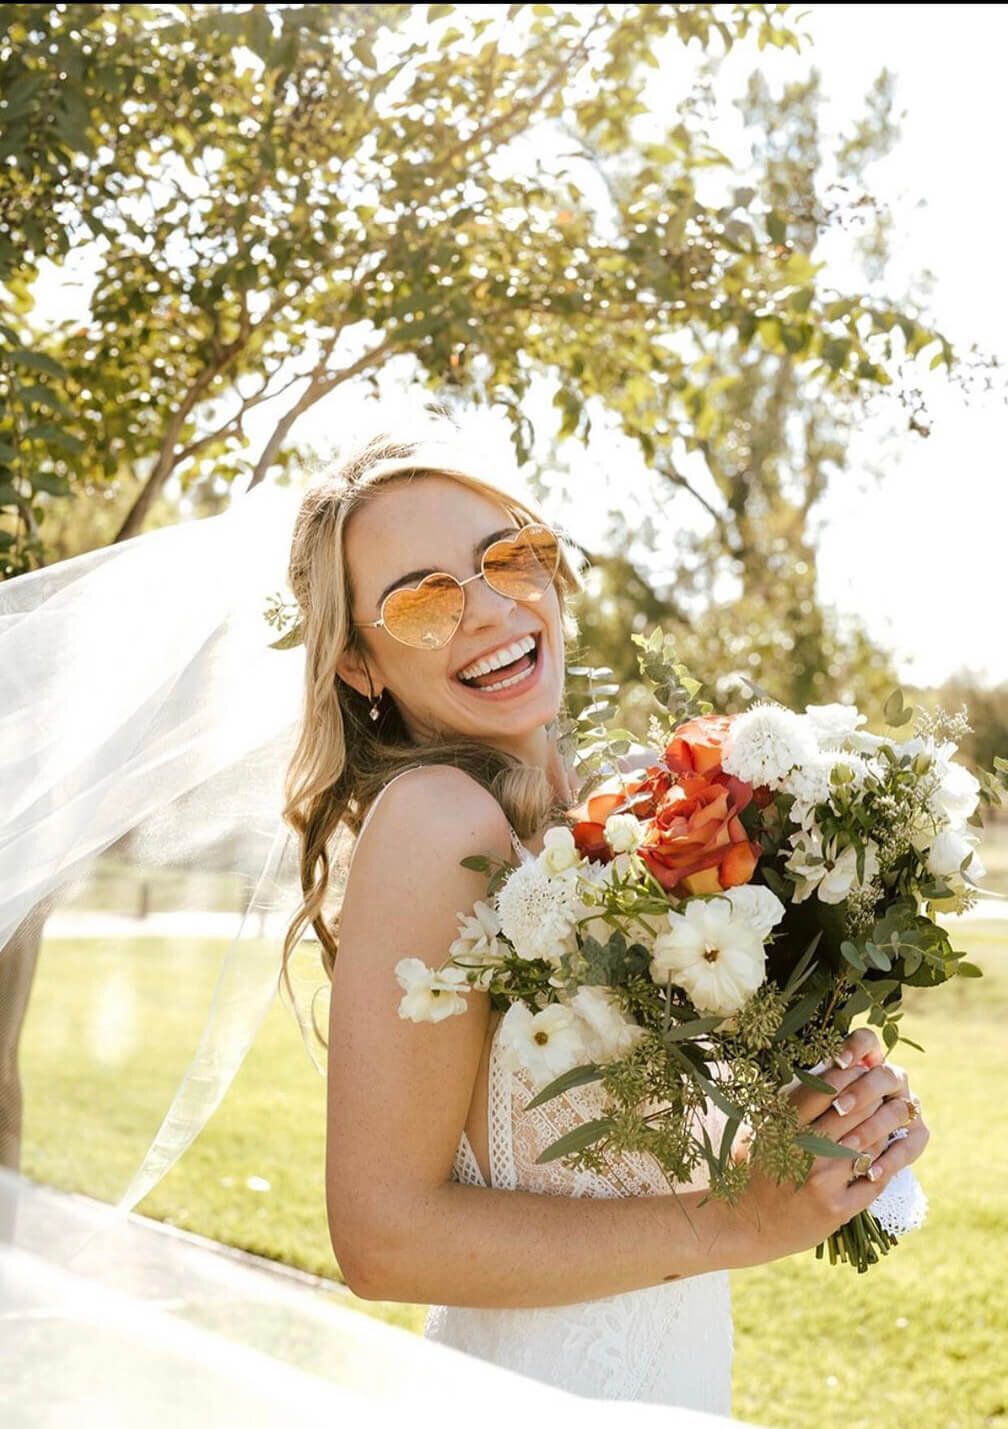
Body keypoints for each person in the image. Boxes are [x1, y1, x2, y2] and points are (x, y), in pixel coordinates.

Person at [278, 430, 932, 1414]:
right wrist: (736, 1223)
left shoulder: (609, 826)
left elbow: (620, 1162)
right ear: (360, 666)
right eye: (422, 601)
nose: (494, 609)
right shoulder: (437, 821)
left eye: (510, 556)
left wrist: (820, 1108)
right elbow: (382, 1235)